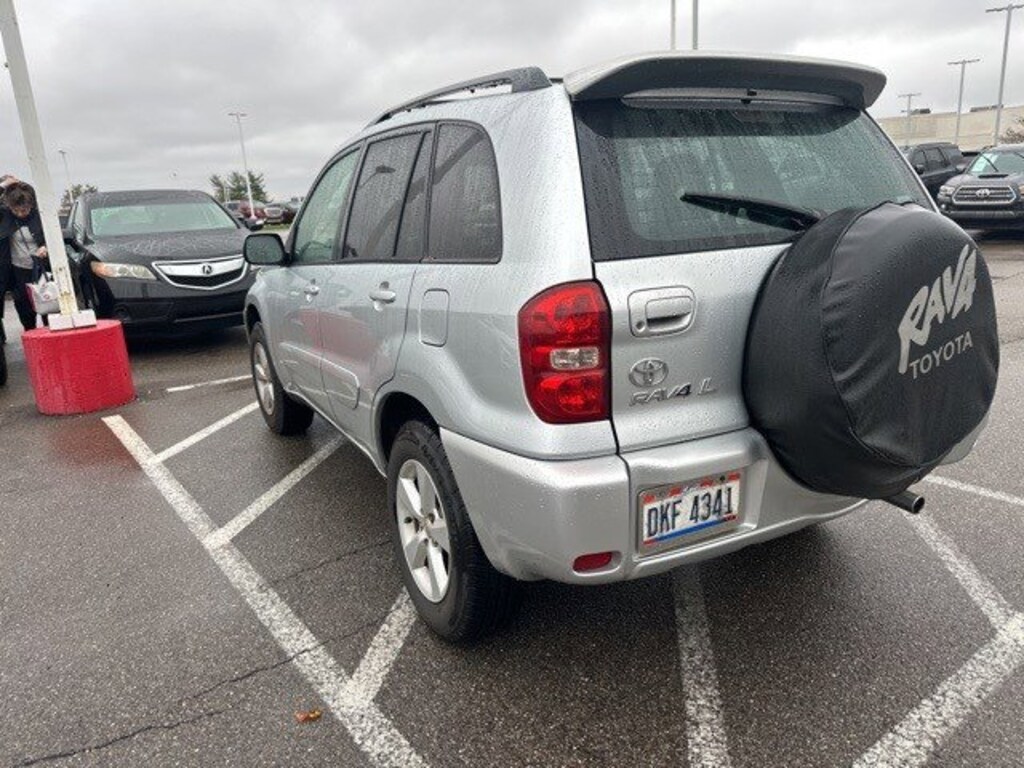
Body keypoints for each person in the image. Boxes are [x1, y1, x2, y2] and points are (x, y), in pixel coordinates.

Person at [0, 176, 50, 338]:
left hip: (41, 267)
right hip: (18, 269)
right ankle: (31, 334)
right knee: (24, 306)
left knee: (48, 303)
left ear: (30, 206)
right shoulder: (5, 216)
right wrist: (3, 186)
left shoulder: (39, 216)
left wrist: (45, 247)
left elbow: (52, 237)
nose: (21, 214)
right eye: (17, 211)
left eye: (25, 210)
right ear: (11, 207)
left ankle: (50, 335)